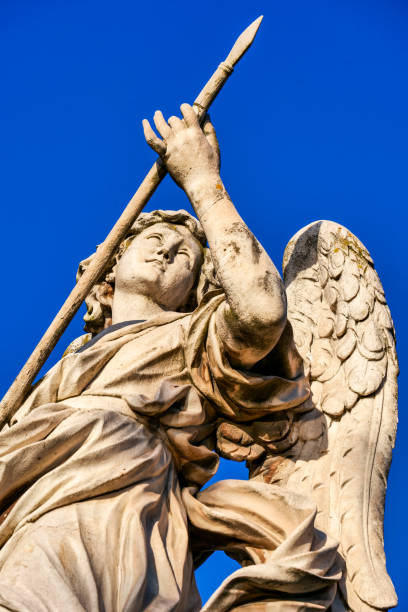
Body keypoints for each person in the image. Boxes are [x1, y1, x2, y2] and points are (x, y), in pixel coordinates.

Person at [0, 105, 340, 611]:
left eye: (185, 253)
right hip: (25, 500)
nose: (166, 251)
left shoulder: (195, 335)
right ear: (107, 271)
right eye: (154, 239)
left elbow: (262, 312)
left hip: (113, 495)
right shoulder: (63, 365)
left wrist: (202, 181)